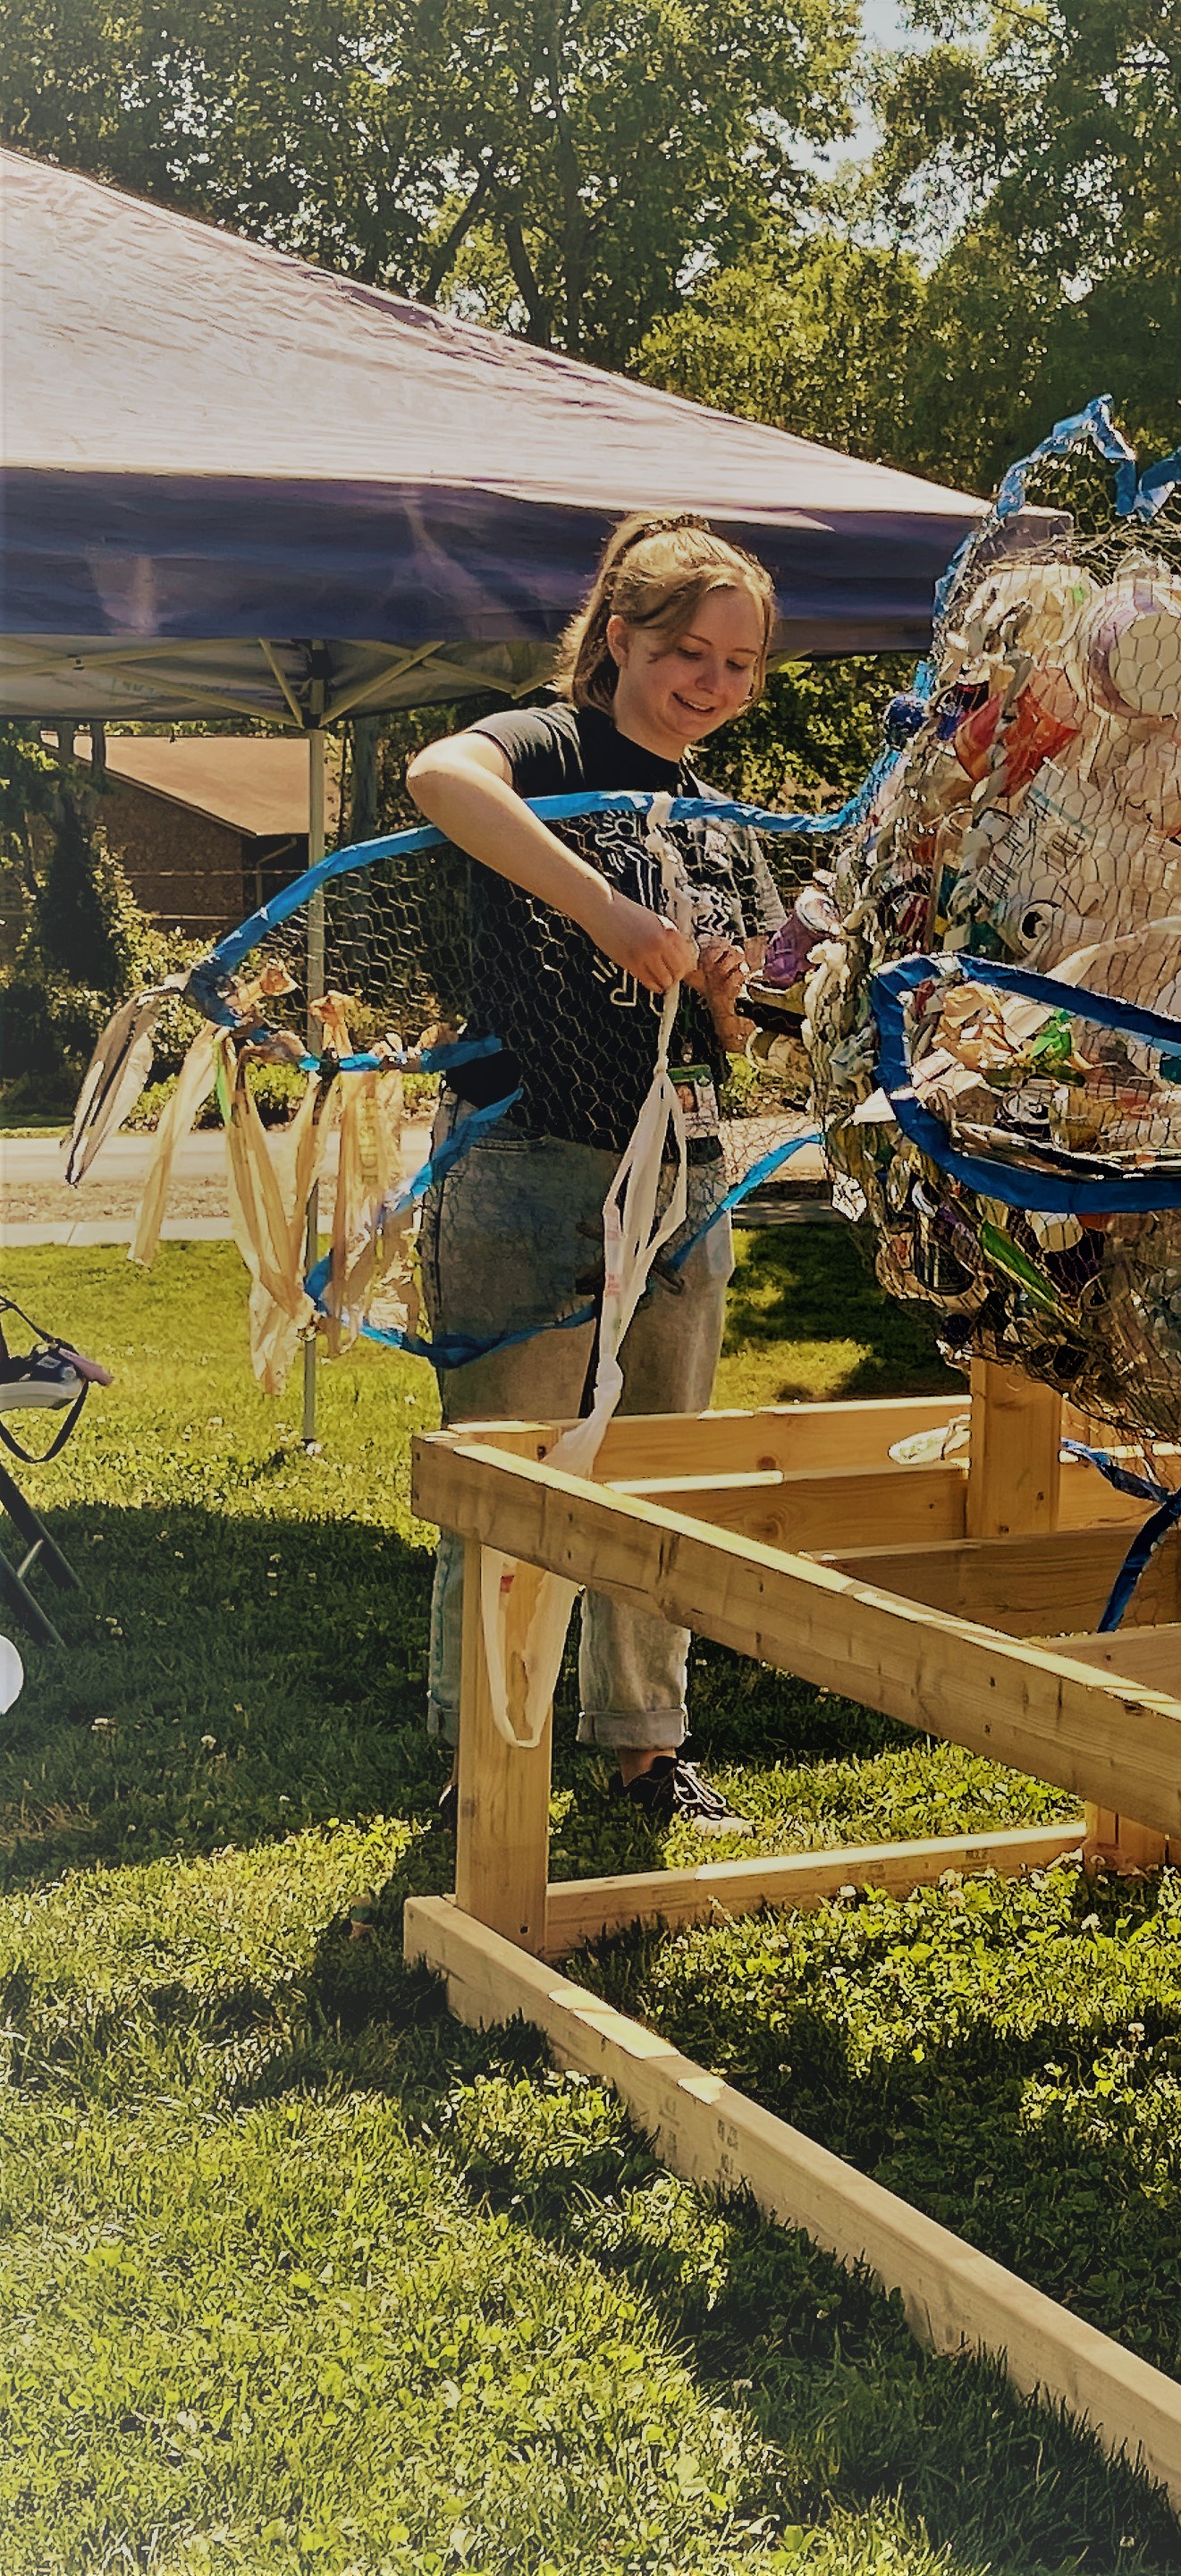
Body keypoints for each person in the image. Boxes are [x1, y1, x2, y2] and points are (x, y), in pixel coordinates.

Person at [407, 512, 786, 1831]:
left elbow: (744, 1024)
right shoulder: (550, 744)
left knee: (657, 1476)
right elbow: (438, 781)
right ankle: (485, 1762)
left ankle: (645, 1747)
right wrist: (608, 909)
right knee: (510, 1478)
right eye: (691, 651)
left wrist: (734, 994)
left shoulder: (721, 811)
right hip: (527, 1170)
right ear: (618, 638)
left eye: (741, 665)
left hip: (681, 1178)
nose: (716, 685)